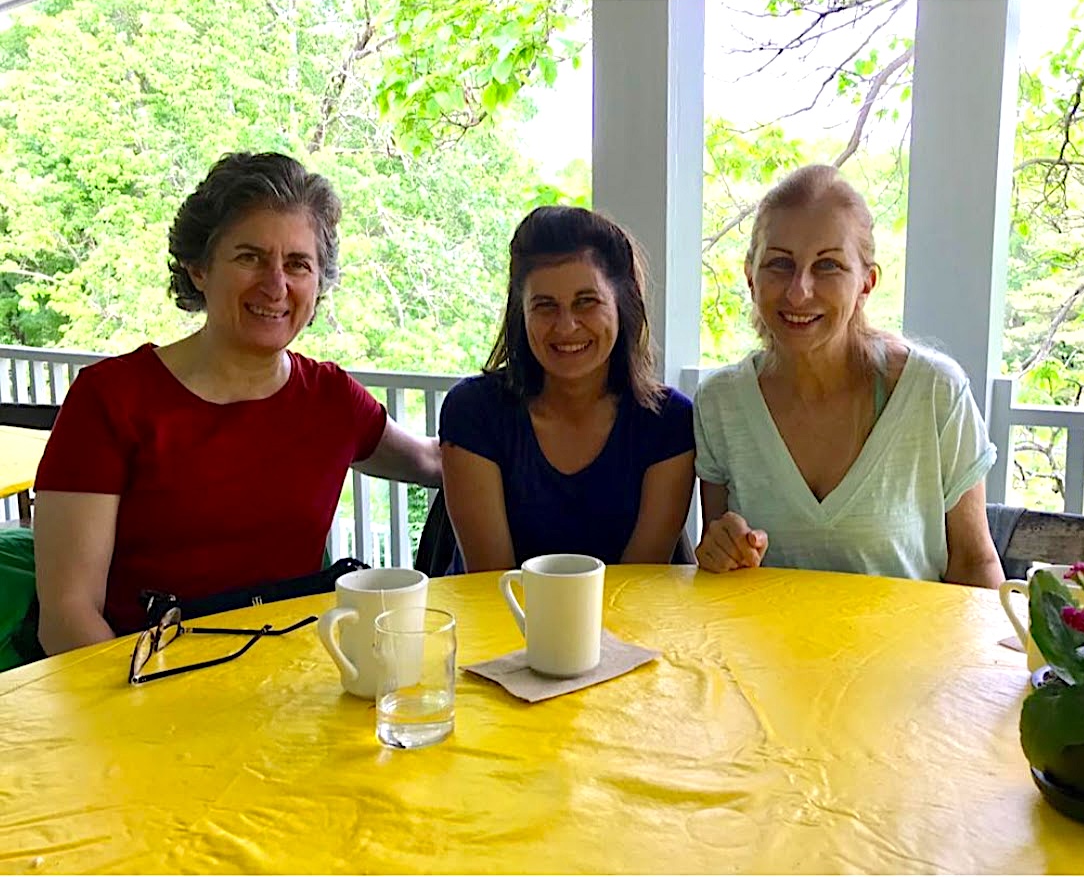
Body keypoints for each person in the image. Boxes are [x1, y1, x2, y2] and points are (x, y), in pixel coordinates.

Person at [34, 152, 441, 654]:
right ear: (199, 268)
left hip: (291, 687)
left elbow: (435, 461)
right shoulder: (110, 400)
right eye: (249, 257)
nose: (276, 285)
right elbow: (66, 617)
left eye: (298, 264)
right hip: (144, 694)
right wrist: (151, 713)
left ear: (318, 283)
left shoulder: (331, 399)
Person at [693, 164, 1003, 588]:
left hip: (910, 654)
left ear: (866, 283)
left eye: (829, 266)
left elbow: (974, 562)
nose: (799, 291)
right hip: (763, 654)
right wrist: (721, 550)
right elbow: (723, 570)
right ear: (750, 276)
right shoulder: (720, 402)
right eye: (779, 264)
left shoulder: (934, 392)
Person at [439, 206, 695, 572]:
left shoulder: (668, 420)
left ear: (622, 305)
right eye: (545, 306)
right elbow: (492, 584)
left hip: (627, 624)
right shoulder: (472, 411)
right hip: (498, 619)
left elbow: (640, 584)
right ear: (521, 313)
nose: (566, 326)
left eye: (586, 302)